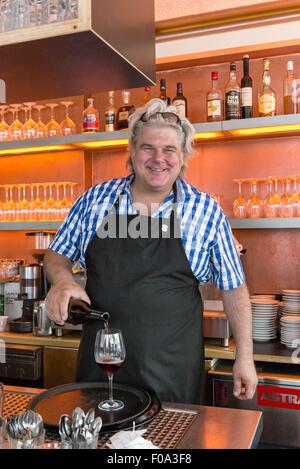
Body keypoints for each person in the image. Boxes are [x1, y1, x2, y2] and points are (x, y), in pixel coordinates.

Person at [44, 98, 257, 404]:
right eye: (148, 147)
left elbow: (234, 289)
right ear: (132, 151)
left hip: (172, 374)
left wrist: (245, 357)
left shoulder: (205, 211)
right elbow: (56, 254)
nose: (159, 158)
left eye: (169, 149)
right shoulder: (95, 201)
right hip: (101, 370)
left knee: (168, 451)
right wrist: (62, 280)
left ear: (183, 156)